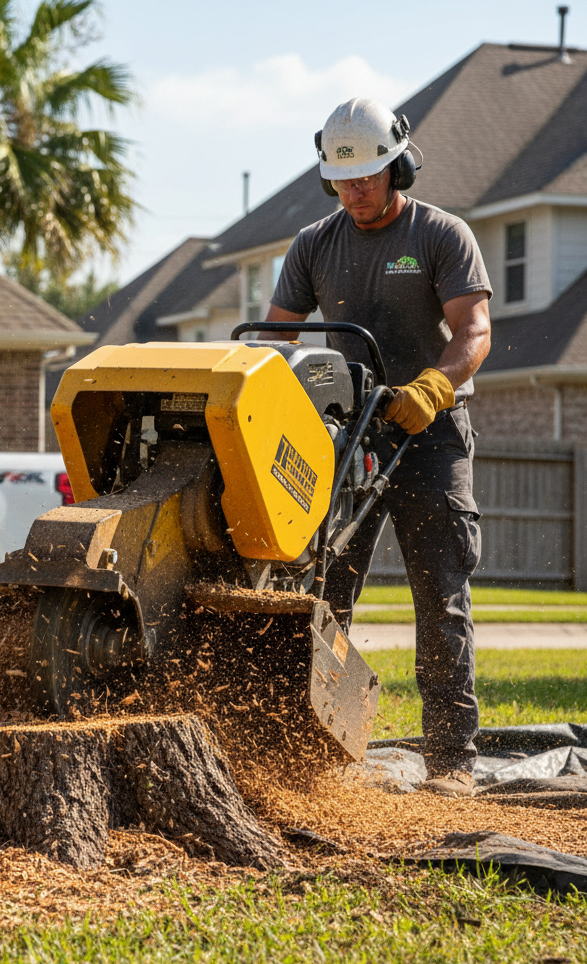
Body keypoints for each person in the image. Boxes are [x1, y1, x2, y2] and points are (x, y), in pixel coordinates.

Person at [261, 97, 492, 798]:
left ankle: (452, 760)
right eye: (343, 178)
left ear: (399, 166)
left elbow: (474, 331)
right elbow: (274, 337)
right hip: (346, 432)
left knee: (441, 595)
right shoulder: (313, 244)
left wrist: (431, 387)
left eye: (368, 176)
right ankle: (312, 749)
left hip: (430, 430)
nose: (356, 191)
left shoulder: (441, 234)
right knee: (322, 589)